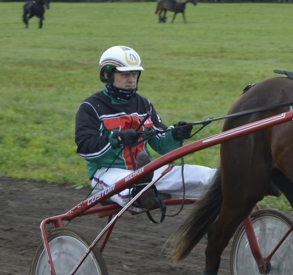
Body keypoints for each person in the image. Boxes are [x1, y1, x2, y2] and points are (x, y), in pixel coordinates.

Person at [75, 45, 215, 212]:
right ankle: (145, 194)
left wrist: (176, 135)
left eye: (134, 74)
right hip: (108, 173)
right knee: (135, 191)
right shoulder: (91, 107)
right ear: (107, 75)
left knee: (211, 177)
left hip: (146, 172)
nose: (131, 79)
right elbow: (85, 149)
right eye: (125, 74)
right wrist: (116, 139)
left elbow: (162, 145)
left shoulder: (144, 104)